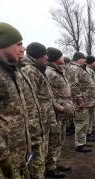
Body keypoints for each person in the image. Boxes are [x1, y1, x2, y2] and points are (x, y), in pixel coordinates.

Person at [21, 42, 65, 178]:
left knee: (49, 145)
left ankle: (52, 165)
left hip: (45, 116)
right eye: (44, 54)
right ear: (38, 55)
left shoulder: (37, 69)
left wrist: (56, 107)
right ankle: (48, 168)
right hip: (38, 119)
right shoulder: (29, 70)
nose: (46, 57)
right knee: (38, 153)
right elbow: (31, 98)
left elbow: (45, 94)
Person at [0, 22, 31, 179]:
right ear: (3, 44)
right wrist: (2, 156)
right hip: (4, 155)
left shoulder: (9, 69)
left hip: (17, 151)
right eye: (19, 44)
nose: (23, 49)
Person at [45, 47, 76, 176]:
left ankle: (56, 162)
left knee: (60, 140)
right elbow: (47, 93)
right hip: (56, 113)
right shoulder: (49, 72)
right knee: (54, 140)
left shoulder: (58, 71)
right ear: (55, 58)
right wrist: (57, 106)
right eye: (61, 56)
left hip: (63, 112)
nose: (63, 58)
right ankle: (51, 167)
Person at [66, 52, 95, 152]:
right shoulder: (74, 69)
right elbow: (73, 85)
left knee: (84, 122)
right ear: (78, 59)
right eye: (83, 58)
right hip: (81, 102)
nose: (85, 60)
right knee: (81, 123)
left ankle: (82, 141)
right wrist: (79, 99)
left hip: (86, 100)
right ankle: (79, 144)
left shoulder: (79, 68)